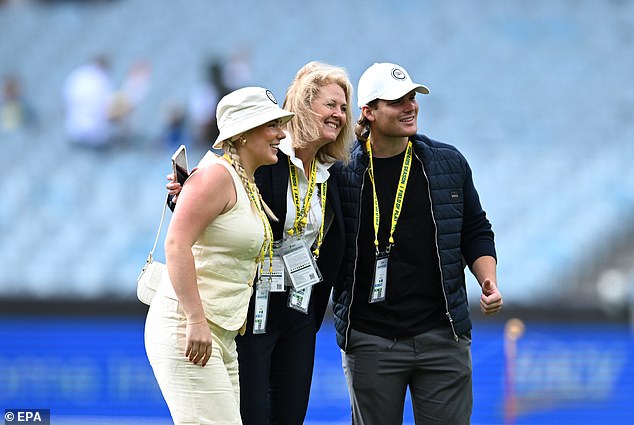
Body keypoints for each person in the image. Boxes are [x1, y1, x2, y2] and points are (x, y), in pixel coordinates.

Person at [167, 61, 354, 425]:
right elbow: (215, 195)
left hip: (300, 306)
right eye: (331, 105)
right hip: (252, 305)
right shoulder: (261, 156)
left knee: (290, 412)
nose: (340, 115)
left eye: (344, 108)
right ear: (302, 106)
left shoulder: (333, 173)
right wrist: (180, 195)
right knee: (250, 412)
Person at [332, 62, 504, 425]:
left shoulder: (448, 162)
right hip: (370, 339)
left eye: (412, 97)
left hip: (443, 335)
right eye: (397, 101)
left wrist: (487, 278)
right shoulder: (341, 172)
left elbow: (475, 229)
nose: (410, 106)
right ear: (369, 112)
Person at [145, 86, 294, 425]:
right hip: (190, 328)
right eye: (271, 125)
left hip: (220, 333)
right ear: (242, 134)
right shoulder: (216, 175)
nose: (281, 134)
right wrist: (196, 320)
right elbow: (176, 245)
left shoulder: (243, 180)